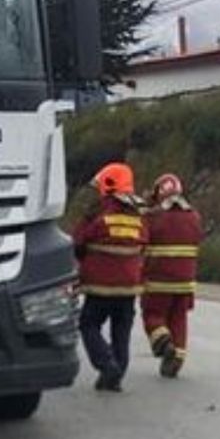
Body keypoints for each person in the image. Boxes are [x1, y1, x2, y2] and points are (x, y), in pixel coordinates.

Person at [73, 162, 147, 392]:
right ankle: (115, 376)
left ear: (107, 185)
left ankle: (107, 366)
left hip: (100, 287)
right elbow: (144, 245)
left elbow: (78, 241)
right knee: (121, 331)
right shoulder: (138, 216)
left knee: (88, 324)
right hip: (129, 288)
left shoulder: (98, 212)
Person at [140, 173, 204, 379]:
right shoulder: (194, 216)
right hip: (186, 282)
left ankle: (164, 342)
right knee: (179, 318)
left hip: (159, 279)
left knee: (153, 315)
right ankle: (177, 357)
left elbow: (141, 242)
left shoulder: (152, 217)